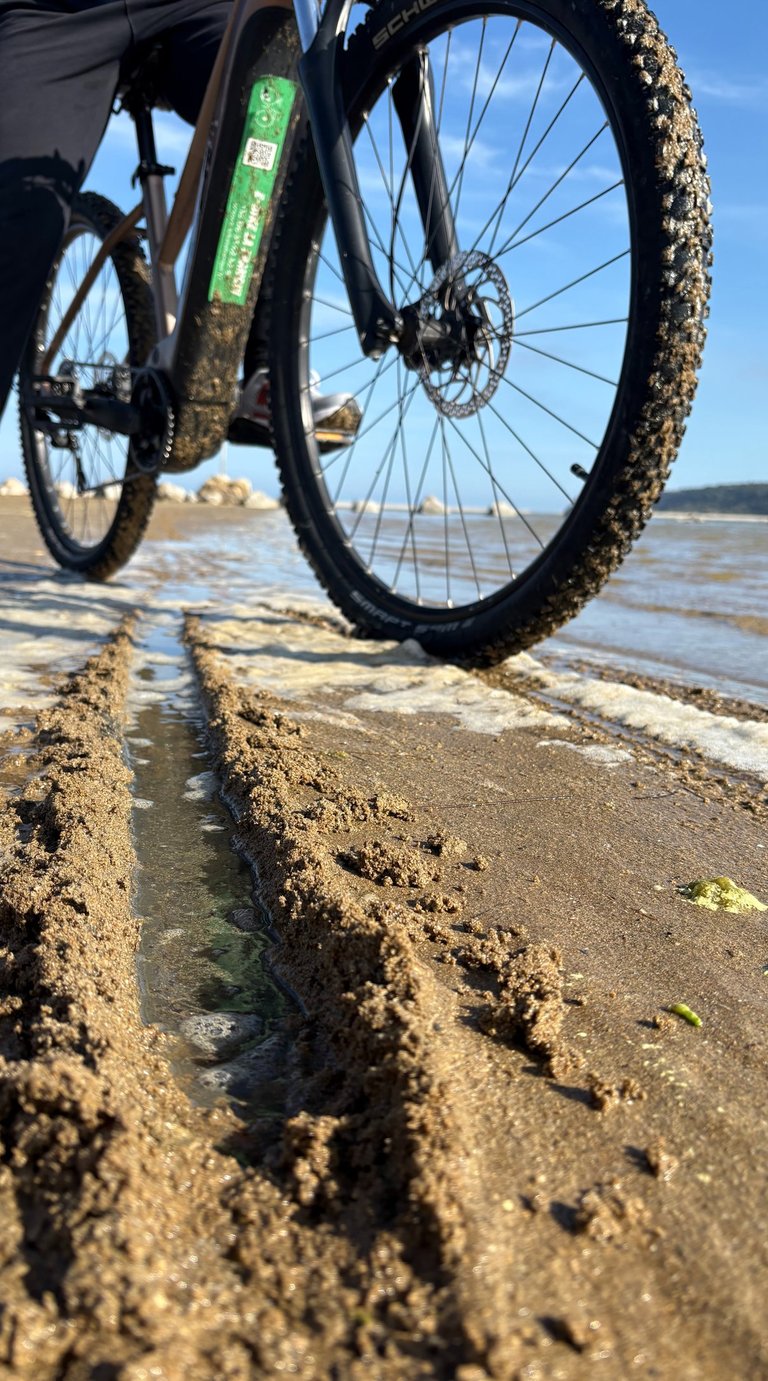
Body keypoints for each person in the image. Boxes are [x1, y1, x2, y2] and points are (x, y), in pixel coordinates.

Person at [0, 0, 357, 446]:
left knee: (283, 107)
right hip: (60, 14)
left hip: (196, 7)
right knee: (18, 217)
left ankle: (267, 376)